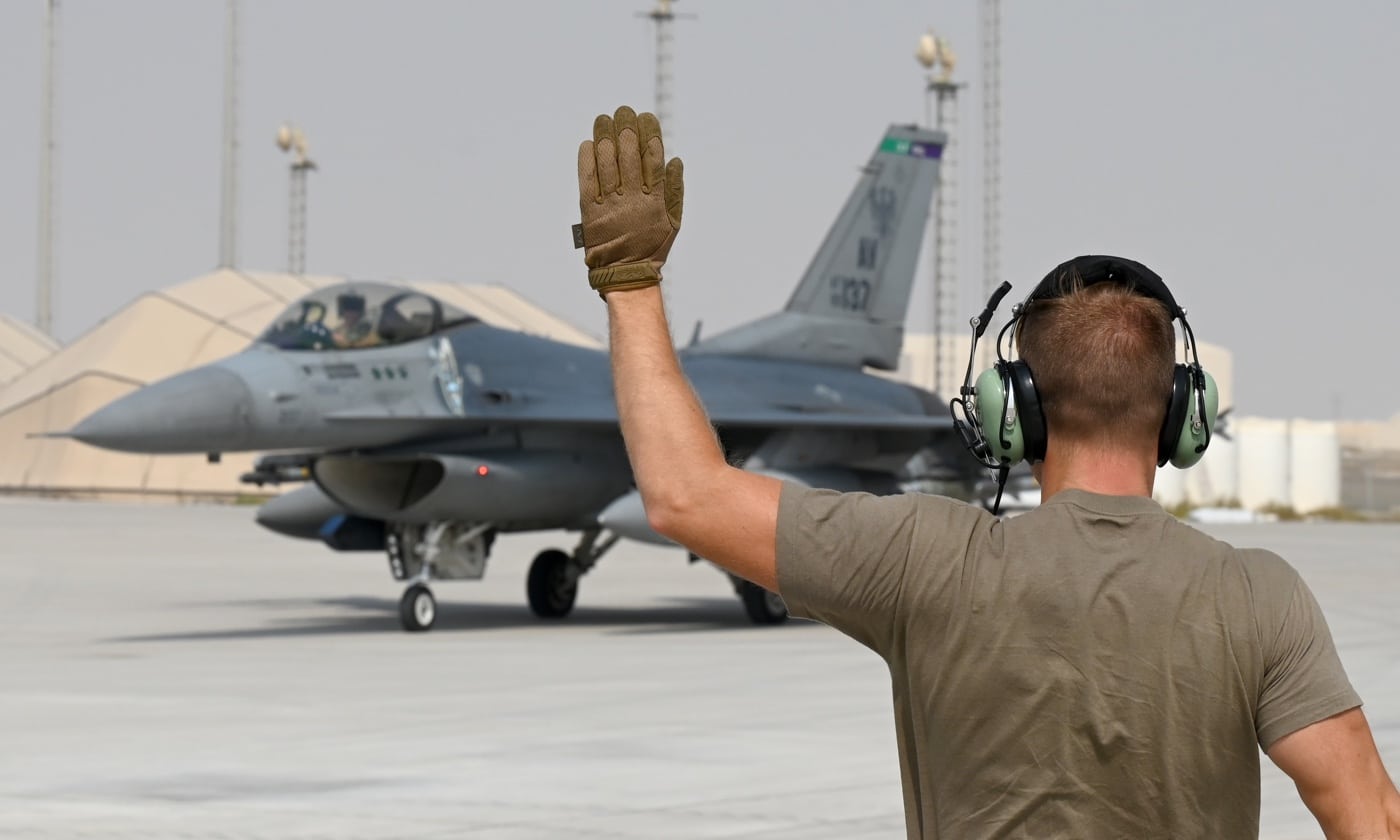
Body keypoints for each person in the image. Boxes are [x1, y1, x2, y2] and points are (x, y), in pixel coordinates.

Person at [574, 105, 1400, 838]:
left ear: (1016, 412)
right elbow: (1368, 815)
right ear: (1182, 414)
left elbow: (685, 495)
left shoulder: (925, 560)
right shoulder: (1259, 597)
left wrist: (631, 283)